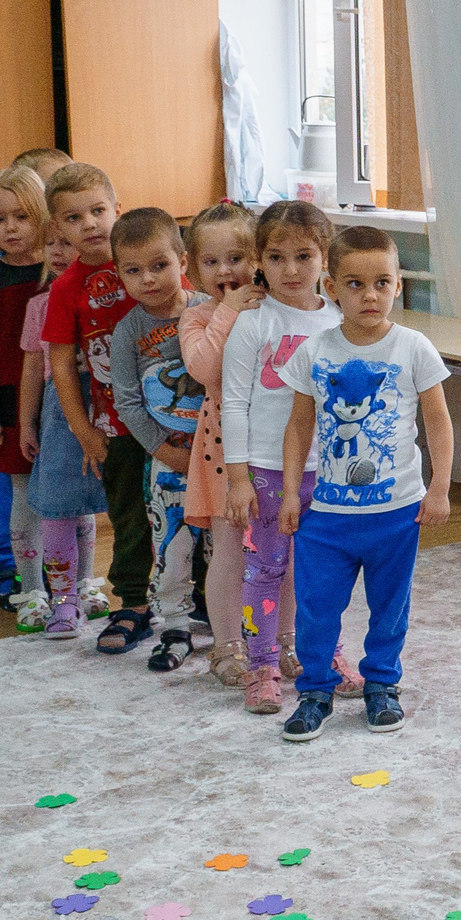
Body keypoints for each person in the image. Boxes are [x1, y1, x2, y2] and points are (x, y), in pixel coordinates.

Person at [274, 226, 451, 742]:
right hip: (327, 516)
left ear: (398, 286)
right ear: (331, 287)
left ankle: (381, 685)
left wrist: (439, 488)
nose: (369, 295)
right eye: (354, 284)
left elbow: (438, 420)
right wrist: (291, 493)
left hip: (396, 513)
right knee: (316, 608)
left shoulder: (413, 347)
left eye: (381, 283)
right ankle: (315, 692)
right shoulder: (314, 351)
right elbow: (298, 426)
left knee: (390, 607)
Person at [220, 200, 341, 715]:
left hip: (330, 473)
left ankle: (325, 657)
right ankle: (261, 666)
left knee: (326, 572)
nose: (290, 270)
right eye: (276, 257)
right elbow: (232, 402)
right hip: (267, 473)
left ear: (324, 257)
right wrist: (238, 478)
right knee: (264, 570)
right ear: (259, 261)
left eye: (303, 256)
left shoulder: (339, 320)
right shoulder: (253, 323)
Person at [40, 162, 151, 655]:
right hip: (116, 424)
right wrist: (83, 430)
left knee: (190, 511)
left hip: (180, 420)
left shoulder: (149, 263)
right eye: (73, 217)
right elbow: (62, 364)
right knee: (128, 516)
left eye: (97, 210)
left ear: (117, 209)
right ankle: (133, 603)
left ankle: (200, 599)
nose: (88, 224)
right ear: (57, 227)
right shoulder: (65, 289)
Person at [179, 203, 282, 689]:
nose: (225, 270)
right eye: (211, 261)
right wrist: (227, 312)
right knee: (230, 550)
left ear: (256, 258)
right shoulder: (197, 317)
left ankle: (283, 640)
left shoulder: (277, 307)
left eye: (236, 257)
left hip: (279, 445)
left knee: (284, 548)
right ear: (193, 269)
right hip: (223, 449)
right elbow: (204, 369)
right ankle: (227, 645)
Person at [0, 146, 68, 600]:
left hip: (63, 401)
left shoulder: (59, 275)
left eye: (21, 217)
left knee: (69, 498)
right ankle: (26, 585)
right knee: (20, 497)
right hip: (9, 406)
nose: (10, 228)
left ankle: (72, 583)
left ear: (43, 216)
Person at [108, 206, 208, 673]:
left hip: (220, 456)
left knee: (224, 545)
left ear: (182, 261)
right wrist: (165, 451)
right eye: (133, 270)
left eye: (159, 265)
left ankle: (230, 621)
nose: (147, 279)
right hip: (168, 461)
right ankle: (175, 625)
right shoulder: (127, 331)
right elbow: (127, 404)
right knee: (171, 544)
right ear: (119, 274)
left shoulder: (209, 310)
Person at [21, 228, 102, 640]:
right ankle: (64, 599)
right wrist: (26, 422)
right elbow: (33, 368)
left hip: (113, 404)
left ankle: (144, 596)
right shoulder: (39, 305)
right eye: (49, 242)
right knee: (58, 507)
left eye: (65, 242)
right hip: (60, 413)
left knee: (132, 504)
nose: (56, 251)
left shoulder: (119, 292)